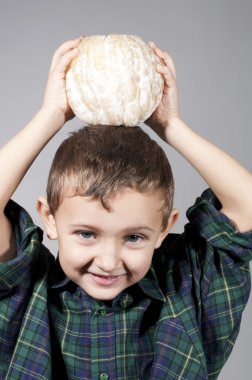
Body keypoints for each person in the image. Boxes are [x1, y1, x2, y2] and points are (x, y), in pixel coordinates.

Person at [0, 37, 251, 380]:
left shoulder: (187, 285)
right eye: (87, 233)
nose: (108, 261)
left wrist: (172, 127)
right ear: (49, 218)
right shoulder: (25, 287)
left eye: (133, 237)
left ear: (164, 228)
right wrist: (51, 116)